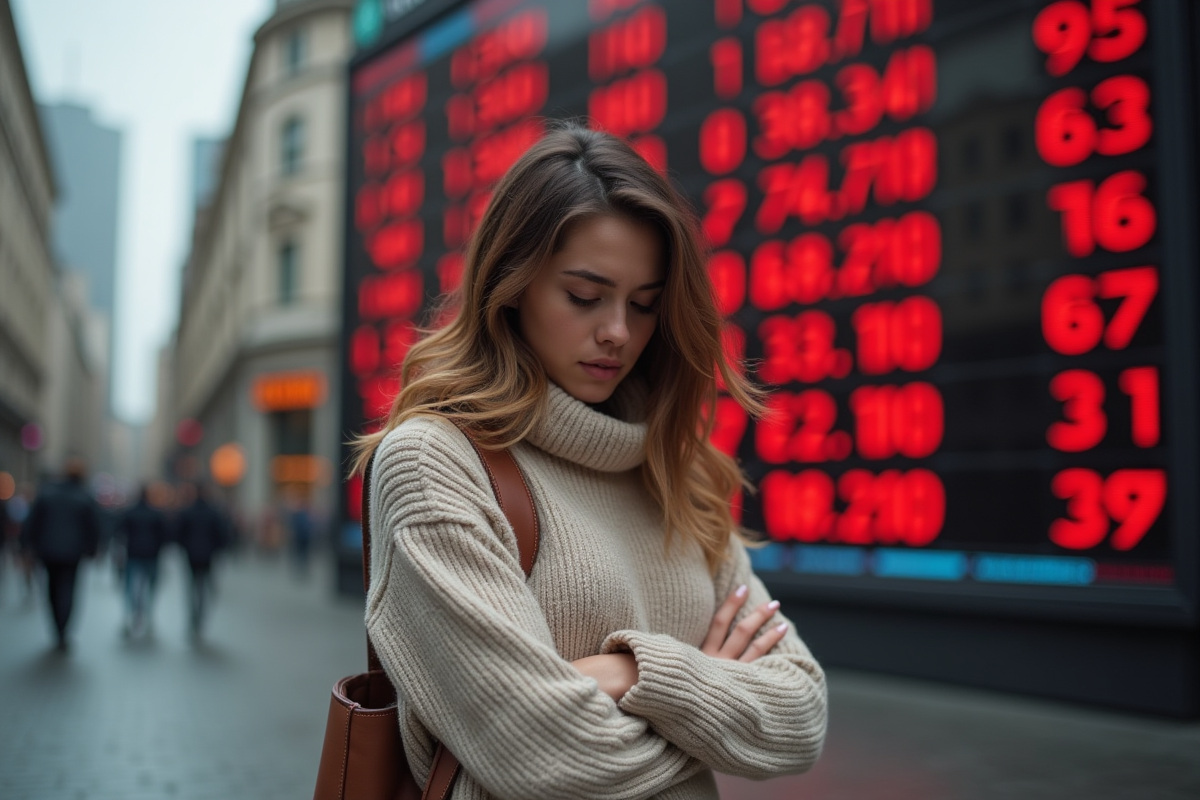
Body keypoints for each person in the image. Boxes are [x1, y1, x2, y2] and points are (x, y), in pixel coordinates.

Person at [353, 124, 827, 799]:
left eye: (644, 305)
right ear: (511, 285)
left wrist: (630, 675)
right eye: (584, 296)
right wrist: (706, 700)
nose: (618, 332)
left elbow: (802, 715)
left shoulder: (676, 475)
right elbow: (540, 755)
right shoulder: (433, 464)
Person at [20, 458, 102, 651]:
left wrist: (26, 547)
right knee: (68, 590)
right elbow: (94, 527)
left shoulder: (47, 494)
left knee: (52, 588)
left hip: (48, 551)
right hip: (73, 553)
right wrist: (92, 549)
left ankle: (57, 628)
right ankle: (62, 630)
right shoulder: (84, 497)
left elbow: (31, 523)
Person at [175, 483, 230, 639]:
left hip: (191, 555)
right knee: (203, 587)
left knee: (192, 587)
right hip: (207, 556)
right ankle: (200, 615)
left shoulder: (188, 511)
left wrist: (184, 547)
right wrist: (219, 550)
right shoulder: (213, 512)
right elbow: (222, 534)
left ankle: (194, 616)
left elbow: (178, 533)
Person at [115, 485, 169, 638]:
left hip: (133, 553)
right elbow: (164, 535)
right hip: (151, 555)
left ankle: (130, 614)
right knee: (151, 586)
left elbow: (120, 533)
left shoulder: (129, 512)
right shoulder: (156, 514)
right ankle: (148, 615)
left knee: (130, 586)